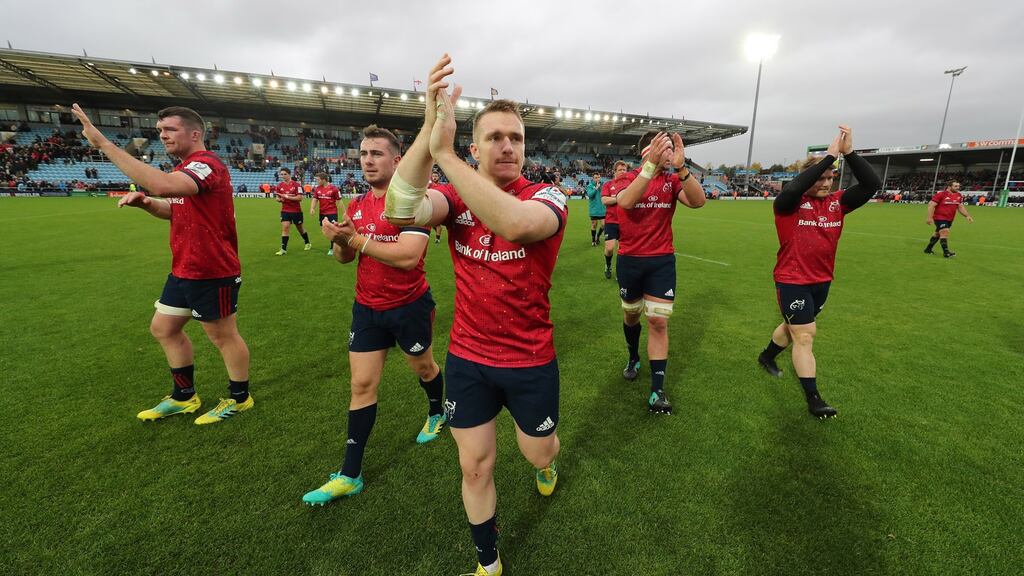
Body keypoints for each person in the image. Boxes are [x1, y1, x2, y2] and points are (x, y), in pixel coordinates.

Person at [385, 54, 567, 576]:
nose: (507, 145)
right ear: (476, 146)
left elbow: (515, 226)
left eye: (516, 138)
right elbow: (399, 211)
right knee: (475, 464)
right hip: (468, 357)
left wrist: (444, 153)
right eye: (494, 137)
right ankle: (489, 564)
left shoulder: (548, 194)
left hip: (530, 358)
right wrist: (428, 131)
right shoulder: (450, 196)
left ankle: (548, 459)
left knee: (536, 454)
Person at [70, 103, 253, 425]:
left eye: (170, 130)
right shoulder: (186, 169)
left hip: (212, 269)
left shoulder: (206, 165)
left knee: (223, 335)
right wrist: (147, 204)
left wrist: (102, 143)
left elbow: (165, 186)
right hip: (184, 267)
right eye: (160, 131)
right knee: (163, 328)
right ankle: (184, 397)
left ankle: (240, 398)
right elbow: (173, 207)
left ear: (194, 133)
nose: (163, 136)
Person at [301, 125, 446, 506]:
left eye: (377, 153)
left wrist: (355, 240)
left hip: (409, 306)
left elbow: (408, 256)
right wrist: (339, 241)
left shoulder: (411, 202)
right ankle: (350, 474)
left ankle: (436, 410)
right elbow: (346, 259)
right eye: (364, 153)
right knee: (361, 386)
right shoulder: (358, 204)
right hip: (366, 307)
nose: (367, 160)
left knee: (424, 369)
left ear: (397, 160)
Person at [756, 125, 882, 419]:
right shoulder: (789, 204)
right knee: (805, 336)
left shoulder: (838, 203)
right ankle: (814, 399)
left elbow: (871, 184)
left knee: (794, 327)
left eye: (831, 177)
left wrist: (848, 153)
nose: (827, 182)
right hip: (792, 280)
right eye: (822, 177)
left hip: (822, 281)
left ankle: (766, 356)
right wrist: (828, 157)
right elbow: (795, 187)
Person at [614, 131, 706, 414]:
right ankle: (633, 356)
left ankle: (657, 390)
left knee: (658, 322)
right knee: (631, 315)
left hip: (661, 262)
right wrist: (651, 167)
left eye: (671, 149)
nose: (670, 153)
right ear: (648, 151)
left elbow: (698, 202)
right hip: (630, 260)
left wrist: (681, 167)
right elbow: (626, 202)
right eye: (666, 149)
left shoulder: (672, 180)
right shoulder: (627, 179)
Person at [924, 180, 973, 257]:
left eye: (958, 186)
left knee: (937, 234)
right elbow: (931, 205)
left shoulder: (959, 195)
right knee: (945, 232)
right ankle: (946, 252)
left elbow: (960, 207)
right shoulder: (941, 194)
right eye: (955, 186)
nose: (958, 187)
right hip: (939, 217)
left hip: (949, 219)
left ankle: (928, 249)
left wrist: (967, 216)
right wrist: (929, 218)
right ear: (949, 187)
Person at [600, 161, 629, 279]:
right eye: (620, 170)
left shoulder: (630, 184)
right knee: (610, 248)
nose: (623, 172)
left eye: (624, 170)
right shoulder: (608, 184)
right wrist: (619, 198)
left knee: (622, 250)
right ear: (614, 172)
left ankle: (620, 271)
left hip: (626, 221)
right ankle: (608, 265)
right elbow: (604, 200)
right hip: (611, 221)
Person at [274, 167, 311, 255]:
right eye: (282, 174)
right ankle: (283, 249)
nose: (283, 176)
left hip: (296, 210)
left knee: (300, 228)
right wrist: (279, 200)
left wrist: (287, 197)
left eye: (285, 174)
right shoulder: (279, 186)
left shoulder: (296, 185)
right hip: (285, 210)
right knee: (285, 227)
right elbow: (277, 197)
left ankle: (307, 243)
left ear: (289, 174)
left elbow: (300, 198)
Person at [310, 171, 342, 255]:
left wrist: (344, 212)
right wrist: (312, 208)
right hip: (322, 213)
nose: (317, 181)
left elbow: (339, 201)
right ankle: (339, 241)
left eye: (318, 179)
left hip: (332, 212)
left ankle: (332, 248)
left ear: (324, 180)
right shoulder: (318, 189)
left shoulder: (334, 189)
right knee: (325, 229)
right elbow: (315, 199)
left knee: (332, 229)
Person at [585, 172, 606, 246]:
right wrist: (596, 188)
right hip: (594, 209)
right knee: (594, 225)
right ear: (593, 178)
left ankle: (598, 235)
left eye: (598, 177)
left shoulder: (603, 185)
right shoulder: (590, 186)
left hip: (602, 209)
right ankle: (593, 240)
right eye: (596, 177)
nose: (597, 179)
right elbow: (590, 195)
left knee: (603, 225)